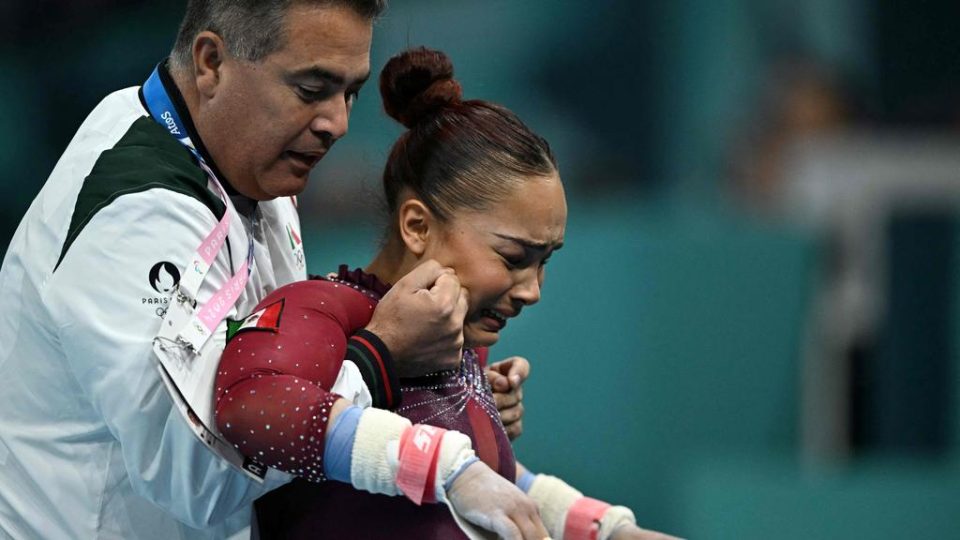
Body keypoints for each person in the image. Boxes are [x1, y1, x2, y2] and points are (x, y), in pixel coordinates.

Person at [0, 2, 541, 539]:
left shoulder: (249, 163)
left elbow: (274, 369)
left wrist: (439, 396)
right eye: (312, 90)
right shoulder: (132, 215)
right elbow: (203, 481)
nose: (339, 123)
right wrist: (381, 360)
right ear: (211, 62)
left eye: (349, 92)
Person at [215, 47, 678, 540]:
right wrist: (445, 465)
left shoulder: (458, 347)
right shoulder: (323, 310)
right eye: (513, 257)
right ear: (416, 226)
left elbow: (495, 490)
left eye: (545, 261)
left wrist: (607, 530)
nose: (533, 291)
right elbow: (246, 406)